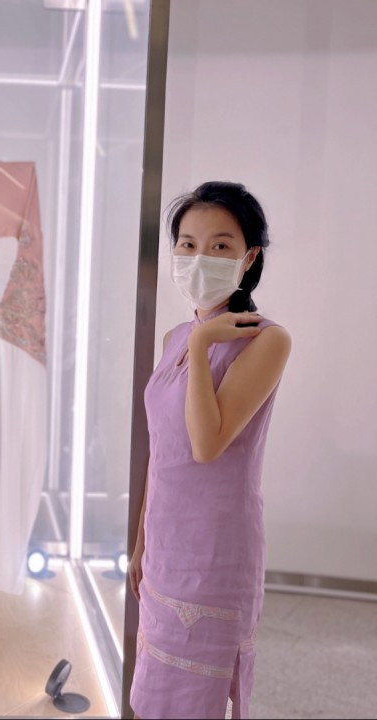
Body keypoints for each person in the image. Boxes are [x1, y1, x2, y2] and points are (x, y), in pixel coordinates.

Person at [128, 181, 292, 720]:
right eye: (188, 244)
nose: (201, 257)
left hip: (215, 551)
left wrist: (203, 344)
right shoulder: (175, 336)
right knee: (155, 697)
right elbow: (162, 452)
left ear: (250, 257)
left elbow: (206, 444)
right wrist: (141, 541)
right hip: (164, 546)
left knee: (196, 702)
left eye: (221, 245)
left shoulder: (267, 340)